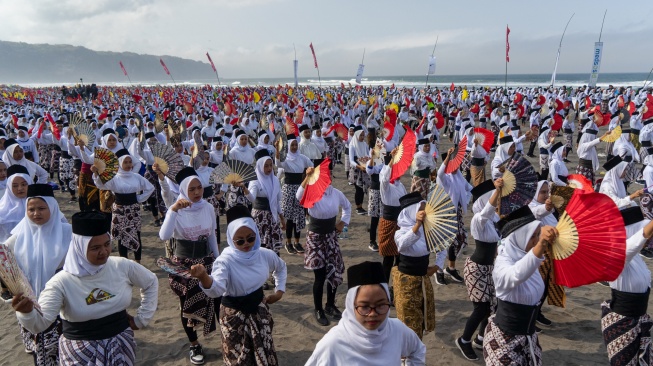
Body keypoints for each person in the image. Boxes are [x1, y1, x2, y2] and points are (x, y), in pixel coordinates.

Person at [12, 211, 158, 366]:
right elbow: (40, 324)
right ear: (79, 247)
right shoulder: (60, 282)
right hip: (80, 353)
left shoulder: (121, 266)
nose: (104, 252)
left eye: (107, 244)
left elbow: (151, 282)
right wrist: (26, 313)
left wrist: (141, 319)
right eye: (95, 247)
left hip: (121, 345)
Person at [191, 205, 287, 366]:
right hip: (234, 316)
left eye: (250, 238)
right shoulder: (225, 261)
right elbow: (216, 290)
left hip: (259, 310)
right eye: (240, 241)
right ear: (230, 239)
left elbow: (281, 267)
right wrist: (203, 277)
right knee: (237, 360)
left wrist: (279, 291)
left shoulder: (264, 254)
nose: (246, 244)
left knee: (264, 353)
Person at [305, 261, 426, 366]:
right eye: (364, 306)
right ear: (351, 306)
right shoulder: (333, 344)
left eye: (381, 305)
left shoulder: (397, 330)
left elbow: (418, 350)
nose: (373, 314)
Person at [483, 206, 557, 366]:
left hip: (528, 337)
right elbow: (515, 275)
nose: (537, 240)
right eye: (533, 236)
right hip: (504, 340)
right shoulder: (502, 265)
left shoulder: (525, 257)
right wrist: (541, 245)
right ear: (519, 237)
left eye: (539, 235)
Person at [159, 167, 219, 365]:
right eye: (192, 189)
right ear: (184, 190)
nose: (196, 192)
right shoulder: (177, 208)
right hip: (185, 264)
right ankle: (194, 344)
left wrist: (218, 262)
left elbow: (212, 236)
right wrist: (174, 210)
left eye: (199, 188)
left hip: (207, 260)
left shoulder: (208, 207)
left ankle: (226, 339)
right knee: (187, 305)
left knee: (217, 300)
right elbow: (164, 236)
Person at [6, 184, 71, 365]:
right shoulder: (18, 237)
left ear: (52, 207)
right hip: (31, 304)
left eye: (42, 208)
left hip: (62, 302)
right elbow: (5, 265)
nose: (36, 213)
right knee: (40, 350)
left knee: (63, 348)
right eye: (31, 209)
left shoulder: (68, 234)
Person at [297, 167, 352, 326]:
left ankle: (330, 305)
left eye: (329, 177)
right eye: (323, 177)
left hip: (331, 236)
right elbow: (298, 196)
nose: (327, 180)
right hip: (315, 238)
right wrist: (307, 178)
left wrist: (343, 223)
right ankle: (318, 309)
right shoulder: (312, 192)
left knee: (334, 271)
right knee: (319, 276)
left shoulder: (336, 193)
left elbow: (347, 207)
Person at [455, 178, 502, 361]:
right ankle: (464, 340)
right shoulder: (478, 220)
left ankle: (480, 339)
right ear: (485, 200)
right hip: (476, 269)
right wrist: (497, 191)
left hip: (489, 267)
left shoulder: (494, 218)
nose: (496, 201)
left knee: (491, 305)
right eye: (492, 197)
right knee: (481, 308)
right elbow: (486, 212)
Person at [601, 207, 653, 365]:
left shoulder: (635, 257)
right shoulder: (617, 254)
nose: (649, 239)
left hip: (638, 320)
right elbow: (638, 240)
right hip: (622, 323)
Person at [92, 149, 154, 263]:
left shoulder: (136, 177)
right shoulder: (115, 177)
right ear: (120, 163)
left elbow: (150, 187)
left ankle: (138, 262)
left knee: (136, 234)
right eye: (125, 162)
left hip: (134, 209)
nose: (128, 165)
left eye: (130, 162)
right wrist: (96, 173)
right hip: (119, 209)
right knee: (121, 236)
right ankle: (124, 262)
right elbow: (102, 185)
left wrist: (139, 199)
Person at [393, 192, 439, 339]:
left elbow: (442, 245)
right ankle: (406, 356)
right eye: (419, 209)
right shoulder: (400, 232)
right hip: (406, 280)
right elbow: (402, 245)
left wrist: (437, 265)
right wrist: (417, 225)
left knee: (422, 316)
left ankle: (416, 351)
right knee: (408, 320)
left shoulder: (428, 230)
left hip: (423, 279)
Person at [437, 147, 473, 283]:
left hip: (456, 214)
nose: (456, 167)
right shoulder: (445, 179)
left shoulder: (458, 177)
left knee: (458, 240)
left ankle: (450, 268)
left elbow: (470, 188)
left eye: (458, 165)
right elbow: (440, 173)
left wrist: (465, 200)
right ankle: (439, 271)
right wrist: (447, 156)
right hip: (444, 214)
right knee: (443, 242)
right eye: (454, 165)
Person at [376, 149, 408, 287]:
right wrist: (392, 160)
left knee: (400, 259)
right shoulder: (386, 186)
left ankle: (396, 288)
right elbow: (383, 179)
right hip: (389, 223)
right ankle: (384, 288)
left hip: (401, 224)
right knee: (387, 260)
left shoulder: (400, 185)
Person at [277, 135, 313, 254]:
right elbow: (278, 163)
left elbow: (311, 165)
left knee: (299, 216)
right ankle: (288, 243)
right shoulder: (286, 159)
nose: (294, 147)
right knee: (290, 218)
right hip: (288, 190)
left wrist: (309, 171)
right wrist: (277, 149)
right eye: (292, 145)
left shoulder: (302, 158)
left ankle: (297, 242)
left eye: (295, 145)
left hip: (300, 188)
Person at [246, 150, 285, 255]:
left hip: (273, 218)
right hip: (260, 219)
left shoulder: (275, 180)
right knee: (261, 247)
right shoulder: (255, 181)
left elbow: (276, 202)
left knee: (274, 249)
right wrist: (244, 189)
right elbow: (252, 198)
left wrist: (281, 218)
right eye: (266, 166)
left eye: (270, 165)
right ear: (260, 166)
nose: (269, 168)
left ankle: (274, 269)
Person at [0, 165, 33, 242]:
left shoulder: (40, 205)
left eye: (24, 184)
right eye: (15, 186)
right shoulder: (2, 210)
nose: (20, 188)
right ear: (9, 187)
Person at [349, 127, 370, 215]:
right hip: (356, 170)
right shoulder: (352, 145)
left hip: (364, 168)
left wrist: (367, 163)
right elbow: (351, 160)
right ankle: (358, 207)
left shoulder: (364, 144)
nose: (362, 137)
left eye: (363, 135)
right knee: (358, 189)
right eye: (360, 135)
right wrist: (359, 166)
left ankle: (361, 206)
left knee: (362, 188)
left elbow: (367, 155)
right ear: (356, 135)